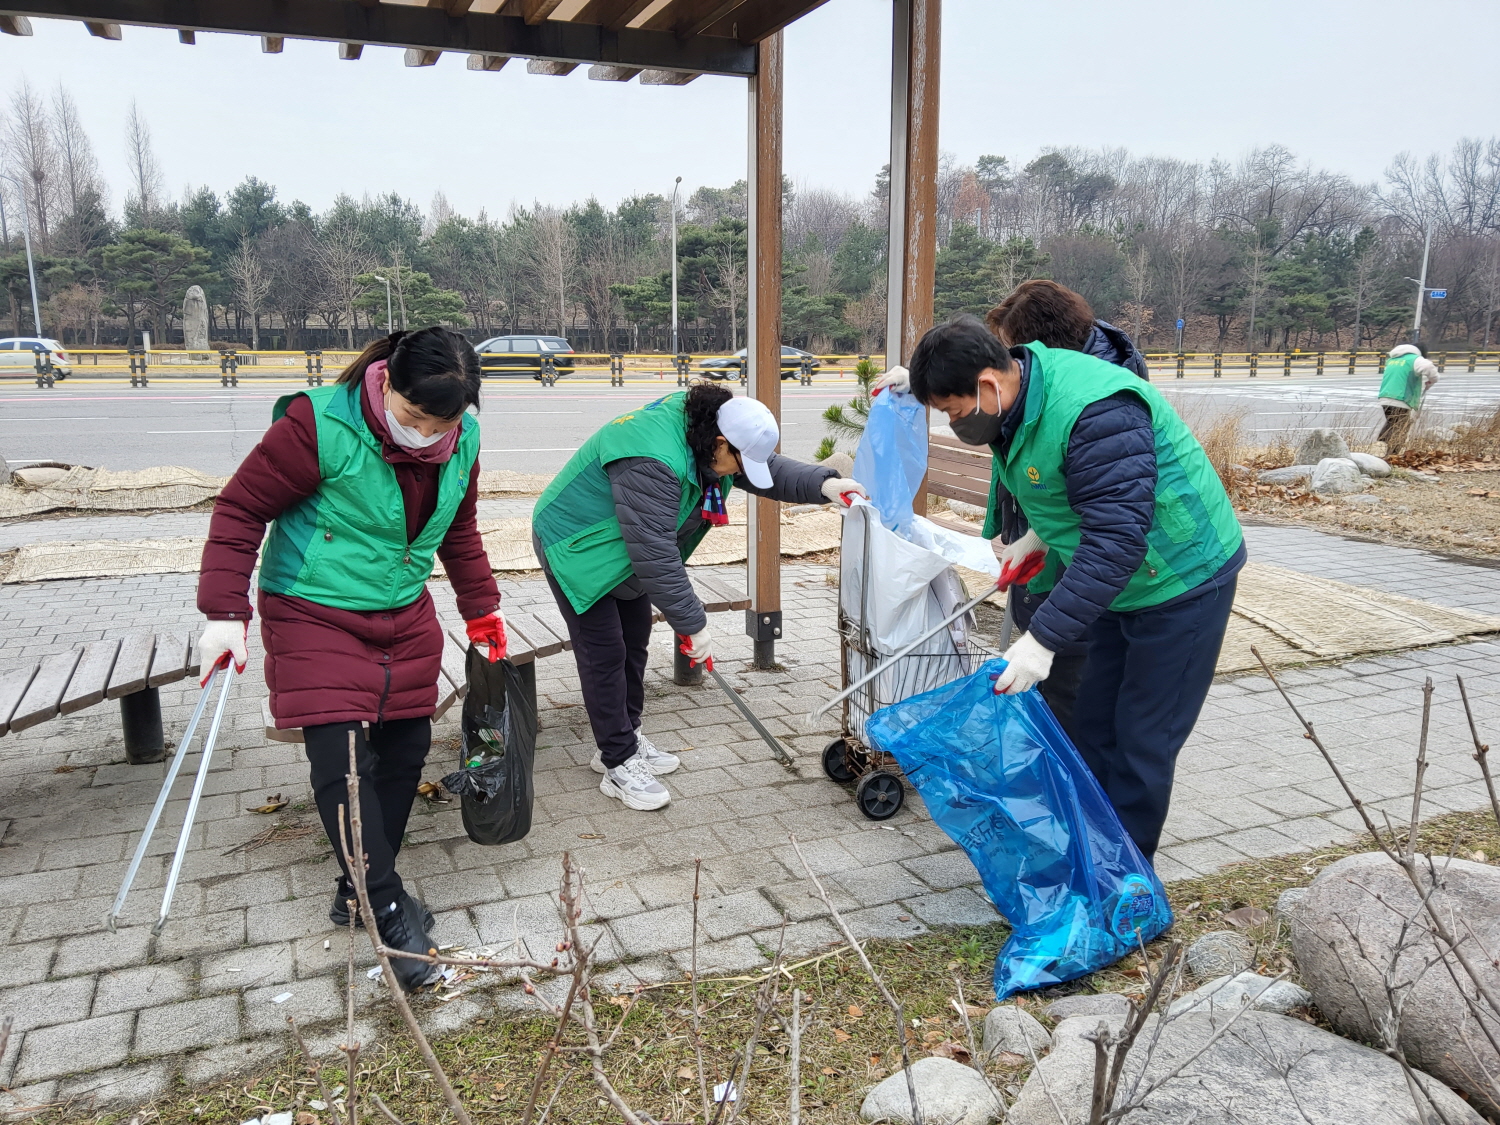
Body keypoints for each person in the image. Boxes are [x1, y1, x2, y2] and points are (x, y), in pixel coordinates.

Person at [196, 327, 506, 991]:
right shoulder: (320, 425)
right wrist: (224, 612)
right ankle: (385, 906)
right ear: (386, 381)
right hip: (312, 606)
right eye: (413, 415)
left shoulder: (464, 442)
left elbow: (459, 530)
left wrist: (483, 610)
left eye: (441, 423)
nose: (424, 434)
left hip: (402, 608)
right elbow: (241, 509)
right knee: (341, 759)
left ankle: (355, 885)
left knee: (406, 746)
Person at [904, 315, 1245, 861]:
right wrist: (1039, 536)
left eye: (955, 411)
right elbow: (1077, 487)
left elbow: (1118, 538)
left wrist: (1041, 640)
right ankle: (1089, 853)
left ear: (988, 384)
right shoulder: (1018, 402)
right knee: (1092, 723)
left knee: (1142, 740)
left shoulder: (1095, 410)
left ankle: (1123, 884)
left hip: (1182, 577)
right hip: (1119, 582)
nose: (954, 423)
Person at [532, 382, 865, 812]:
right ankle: (618, 762)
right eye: (738, 463)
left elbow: (764, 468)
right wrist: (693, 624)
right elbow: (654, 550)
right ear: (720, 443)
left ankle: (625, 737)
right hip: (576, 545)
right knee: (605, 652)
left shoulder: (710, 433)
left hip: (623, 540)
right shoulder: (653, 459)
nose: (738, 474)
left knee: (634, 638)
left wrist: (826, 486)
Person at [981, 280, 1149, 736]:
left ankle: (1070, 764)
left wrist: (1044, 640)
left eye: (1012, 350)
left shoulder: (1097, 401)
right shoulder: (1043, 386)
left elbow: (1108, 522)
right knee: (1048, 676)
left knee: (1072, 686)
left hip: (1085, 573)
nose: (1009, 364)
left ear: (1042, 347)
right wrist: (1034, 535)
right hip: (1046, 547)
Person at [1376, 343, 1439, 455]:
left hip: (1385, 396)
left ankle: (1384, 438)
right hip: (1402, 398)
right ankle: (1392, 454)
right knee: (1402, 427)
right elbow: (1429, 368)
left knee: (1393, 422)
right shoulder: (1415, 359)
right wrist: (1433, 379)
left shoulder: (1393, 360)